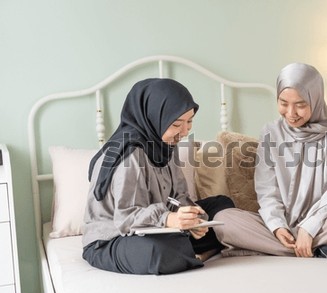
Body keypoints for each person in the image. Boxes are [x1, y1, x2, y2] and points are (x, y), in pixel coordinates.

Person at [214, 63, 327, 258]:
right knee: (223, 220)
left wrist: (310, 227)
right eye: (283, 103)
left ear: (316, 99)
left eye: (300, 104)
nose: (291, 113)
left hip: (324, 222)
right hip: (281, 225)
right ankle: (310, 248)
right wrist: (277, 227)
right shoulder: (271, 132)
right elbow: (266, 190)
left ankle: (276, 248)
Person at [82, 78, 234, 274]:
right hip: (115, 238)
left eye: (189, 122)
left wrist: (194, 219)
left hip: (157, 227)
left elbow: (178, 196)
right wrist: (168, 219)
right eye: (177, 124)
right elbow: (126, 218)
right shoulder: (129, 155)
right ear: (154, 117)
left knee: (222, 204)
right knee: (159, 251)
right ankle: (194, 251)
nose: (185, 131)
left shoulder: (165, 144)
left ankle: (186, 248)